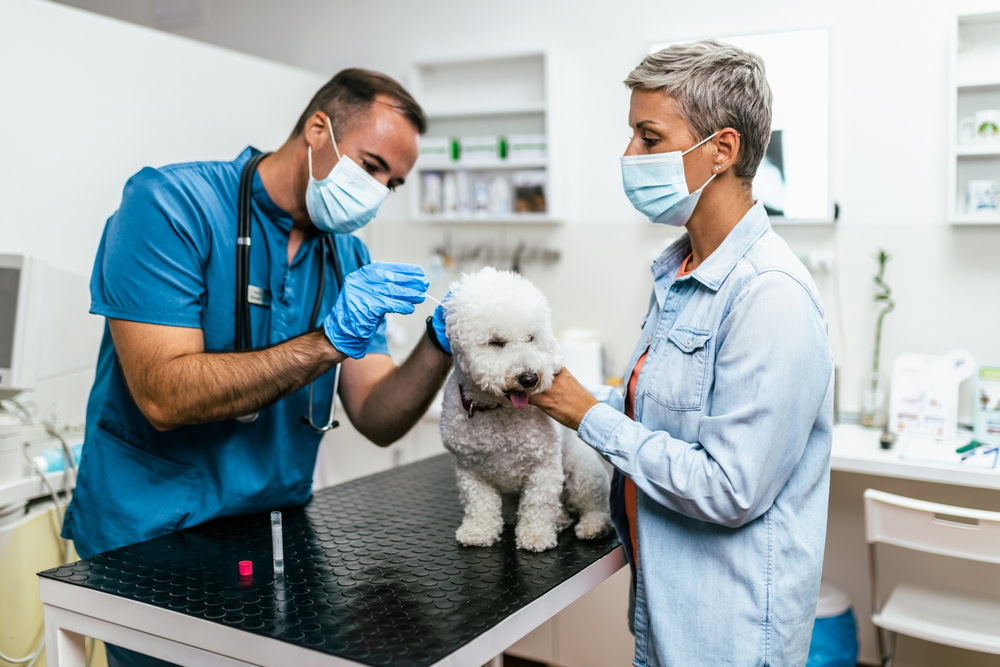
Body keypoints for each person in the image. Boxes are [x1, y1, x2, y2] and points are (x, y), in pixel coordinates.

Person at [62, 69, 454, 667]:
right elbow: (164, 395)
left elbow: (376, 412)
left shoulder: (346, 255)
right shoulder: (171, 205)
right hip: (150, 538)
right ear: (317, 130)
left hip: (269, 532)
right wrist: (326, 342)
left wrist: (441, 343)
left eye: (392, 183)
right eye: (371, 165)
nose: (377, 191)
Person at [531, 41, 833, 666]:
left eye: (648, 137)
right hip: (666, 612)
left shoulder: (769, 295)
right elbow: (663, 414)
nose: (628, 156)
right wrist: (561, 396)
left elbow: (729, 489)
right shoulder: (680, 274)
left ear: (722, 151)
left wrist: (589, 414)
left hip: (730, 635)